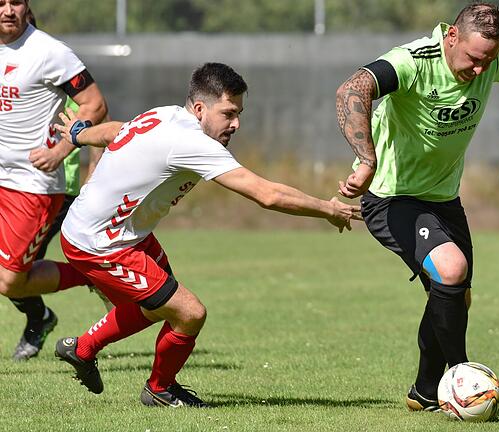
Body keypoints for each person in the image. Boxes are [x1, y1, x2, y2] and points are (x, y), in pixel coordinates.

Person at [336, 3, 499, 411]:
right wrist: (366, 159)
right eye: (474, 59)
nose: (481, 70)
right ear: (451, 36)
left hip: (442, 197)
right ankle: (461, 379)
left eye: (489, 61)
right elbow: (353, 89)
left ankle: (425, 391)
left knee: (456, 296)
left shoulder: (493, 56)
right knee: (452, 269)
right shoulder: (414, 60)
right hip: (391, 196)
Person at [52, 62, 360, 408]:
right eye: (228, 113)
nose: (236, 123)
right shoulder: (191, 142)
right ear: (200, 109)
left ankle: (82, 350)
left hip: (120, 233)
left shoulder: (165, 115)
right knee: (189, 312)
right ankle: (159, 390)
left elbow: (116, 132)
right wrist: (328, 209)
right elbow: (266, 194)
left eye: (239, 113)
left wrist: (79, 134)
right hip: (100, 243)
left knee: (159, 304)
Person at [0, 0, 109, 361]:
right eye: (0, 2)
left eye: (16, 1)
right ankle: (39, 318)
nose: (8, 9)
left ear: (27, 6)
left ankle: (88, 274)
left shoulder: (49, 52)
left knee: (11, 282)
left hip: (31, 185)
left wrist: (62, 149)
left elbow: (94, 104)